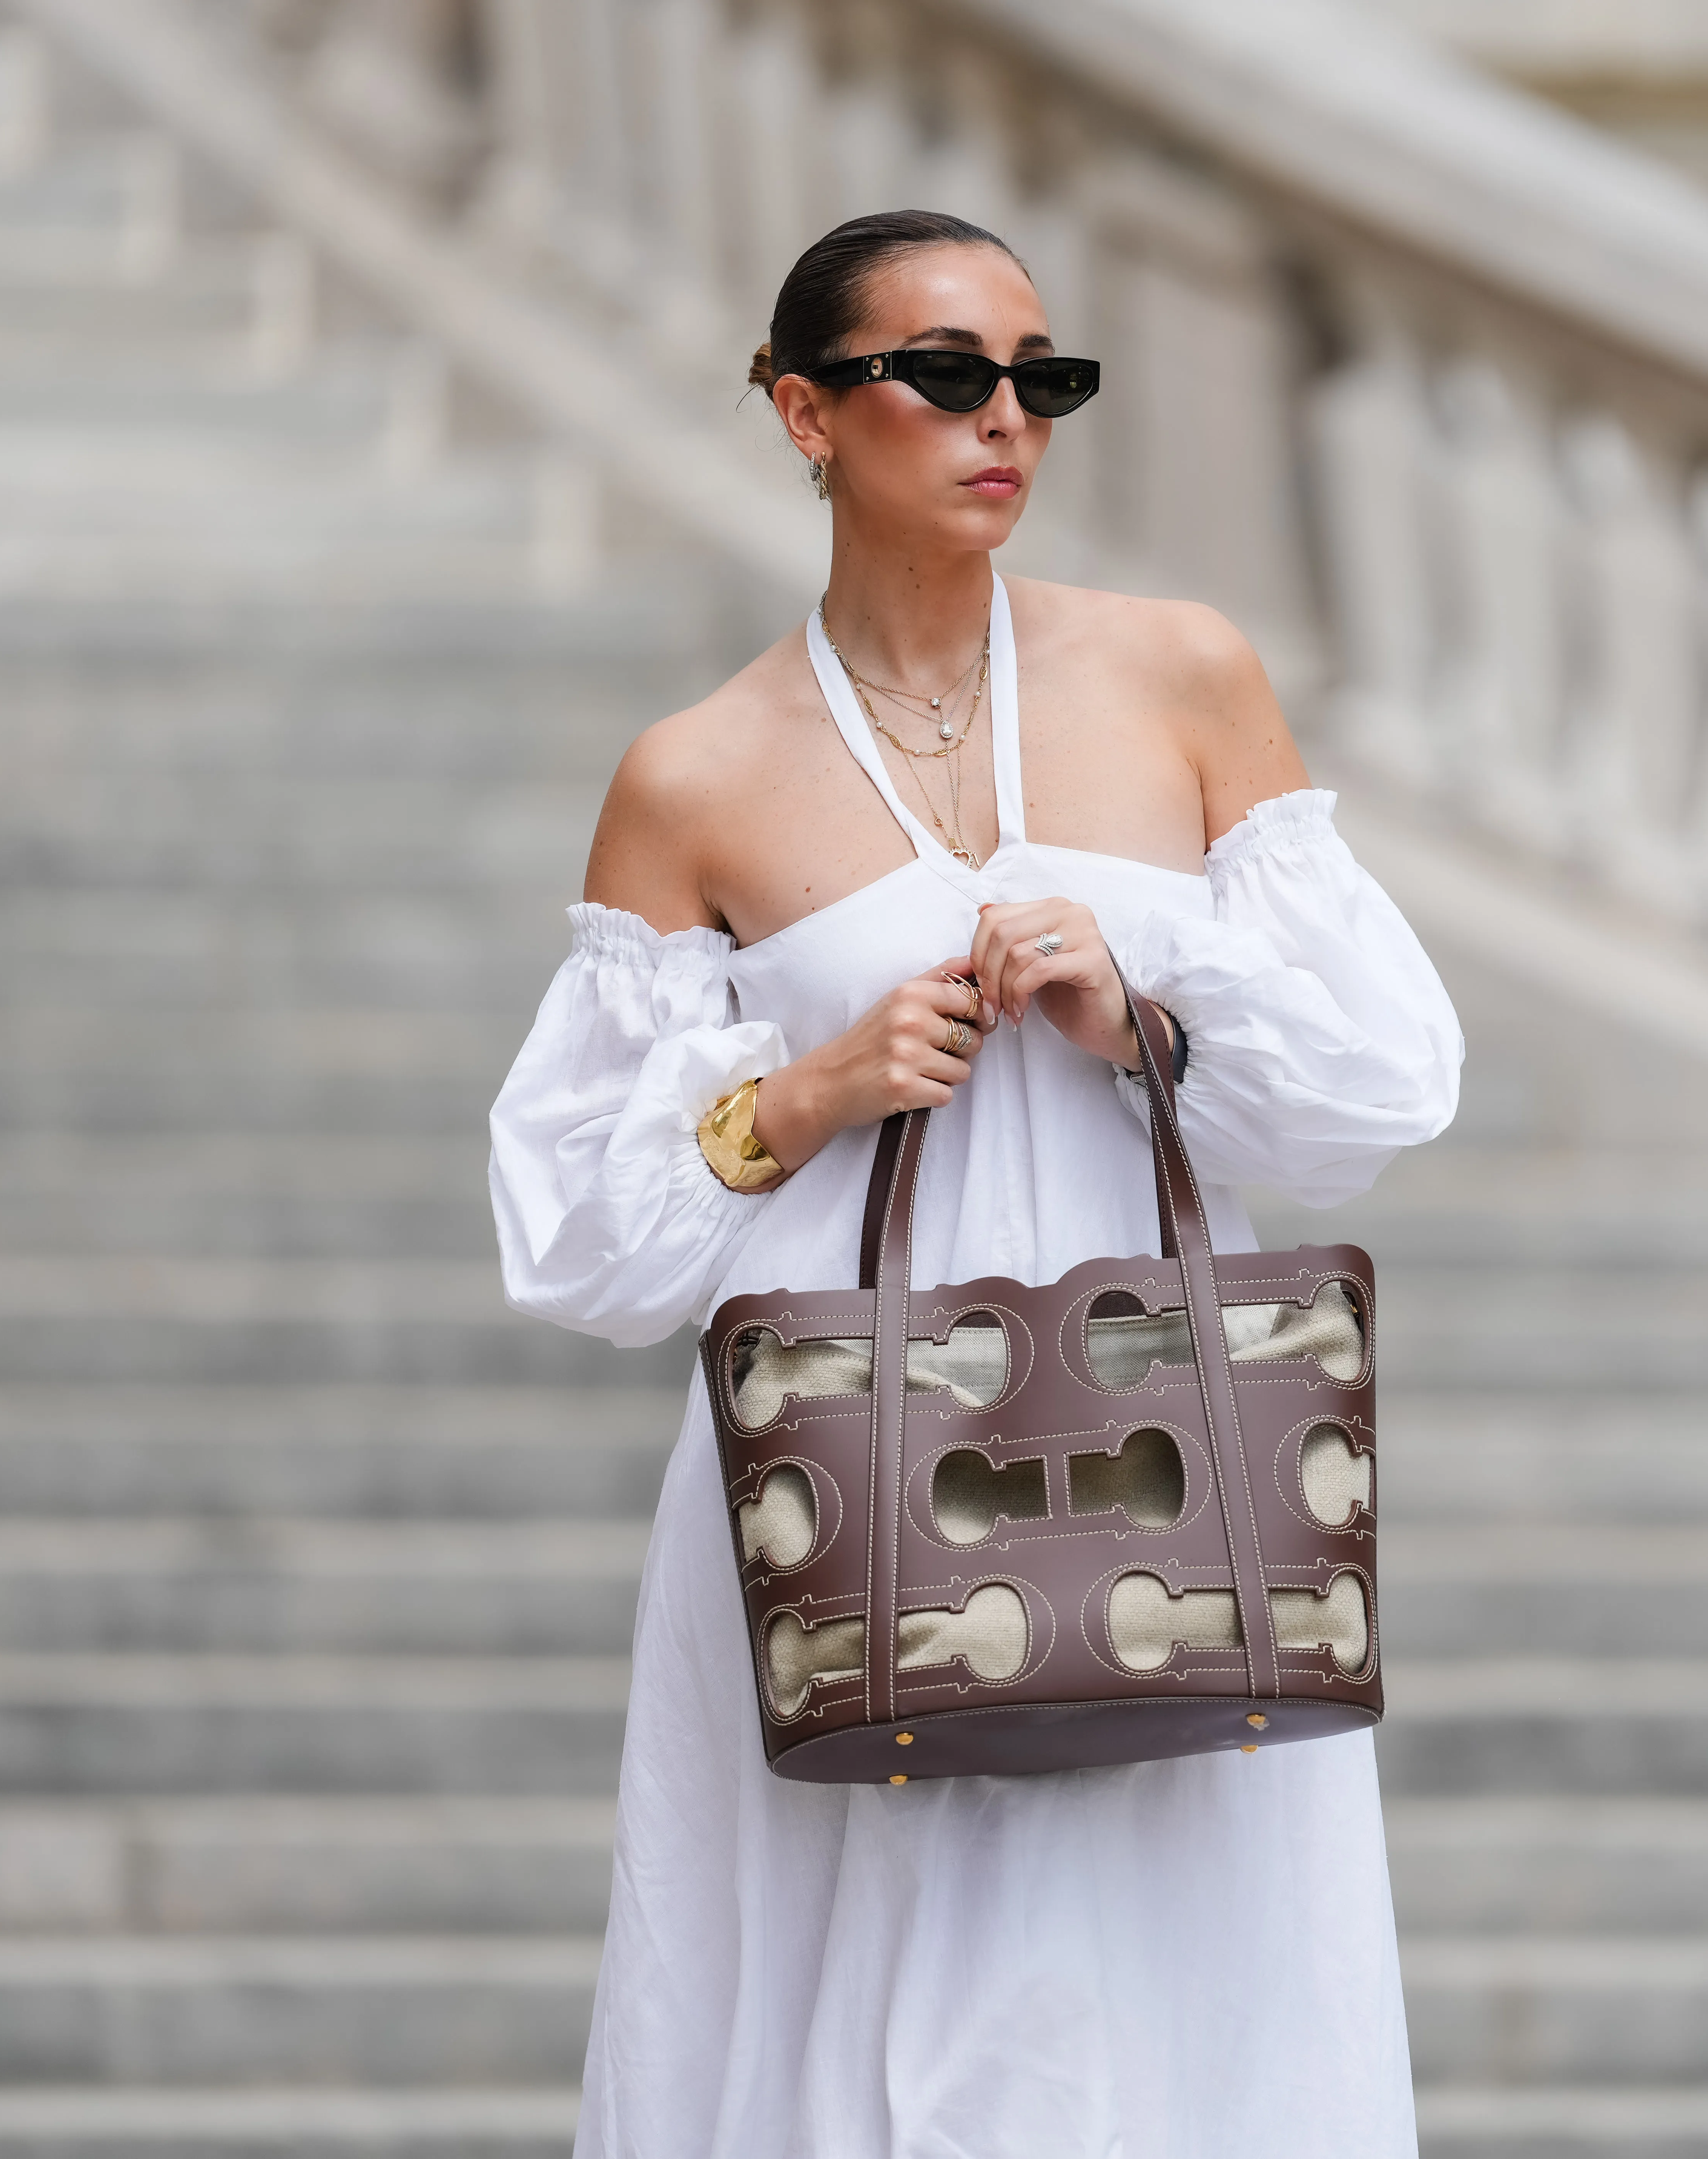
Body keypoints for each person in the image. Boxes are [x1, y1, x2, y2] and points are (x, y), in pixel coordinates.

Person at [489, 208, 1462, 2159]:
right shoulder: (694, 775)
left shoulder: (1181, 673)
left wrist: (1144, 1012)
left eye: (1043, 377)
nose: (1006, 416)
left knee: (1174, 1976)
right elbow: (583, 1239)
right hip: (855, 1475)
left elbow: (1383, 1074)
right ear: (806, 412)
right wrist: (811, 1089)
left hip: (1161, 1452)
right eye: (945, 375)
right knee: (860, 1968)